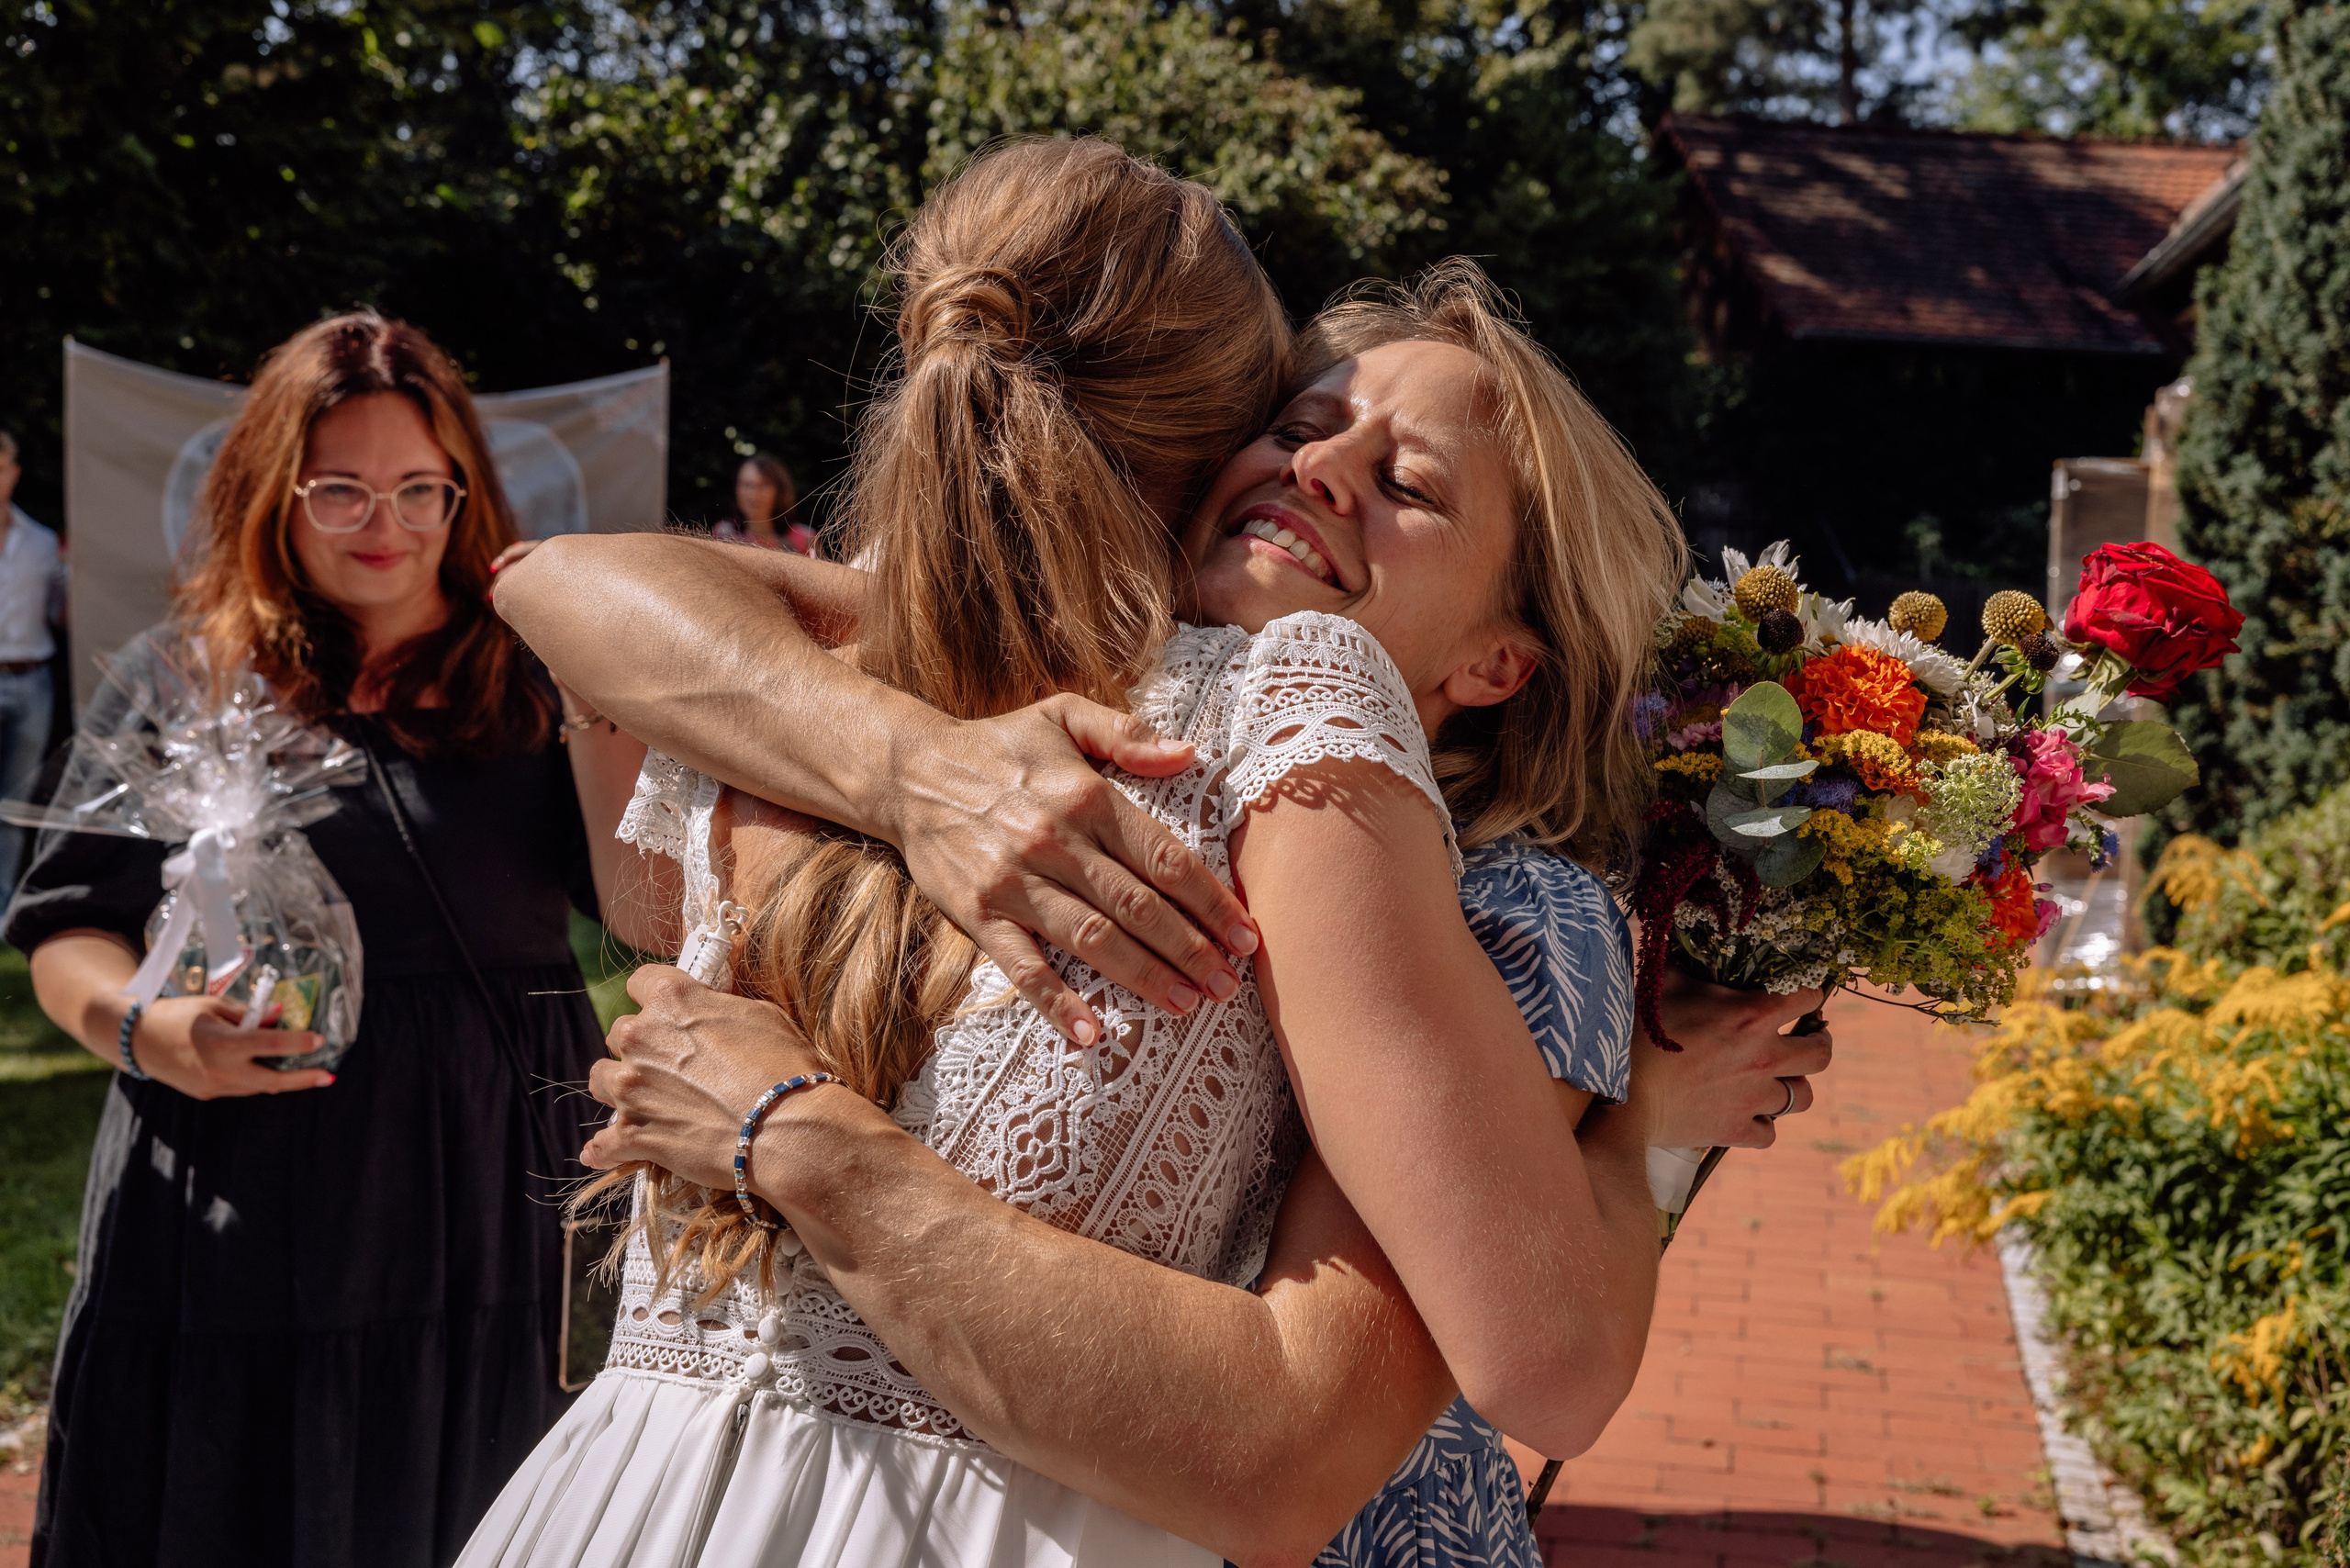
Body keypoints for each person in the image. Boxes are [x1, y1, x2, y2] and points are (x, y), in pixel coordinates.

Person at [480, 140, 1830, 1568]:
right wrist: (917, 769)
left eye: (1410, 484)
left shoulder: (1383, 775)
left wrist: (1639, 1114)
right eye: (1299, 420)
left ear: (1504, 658)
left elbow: (1525, 1367)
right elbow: (562, 586)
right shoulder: (930, 688)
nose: (1319, 468)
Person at [5, 313, 643, 1568]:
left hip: (490, 1184)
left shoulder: (532, 679)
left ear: (465, 494)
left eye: (420, 489)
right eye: (341, 490)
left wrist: (605, 703)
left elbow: (644, 916)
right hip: (240, 1188)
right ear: (270, 496)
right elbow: (67, 928)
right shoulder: (179, 679)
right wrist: (144, 1029)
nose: (386, 525)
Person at [0, 430, 67, 890]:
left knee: (14, 801)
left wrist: (83, 573)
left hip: (32, 682)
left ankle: (2, 902)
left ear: (15, 474)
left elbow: (61, 617)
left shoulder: (43, 543)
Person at [713, 451, 815, 554]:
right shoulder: (724, 533)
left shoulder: (804, 539)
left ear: (780, 491)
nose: (754, 494)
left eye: (763, 485)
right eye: (747, 485)